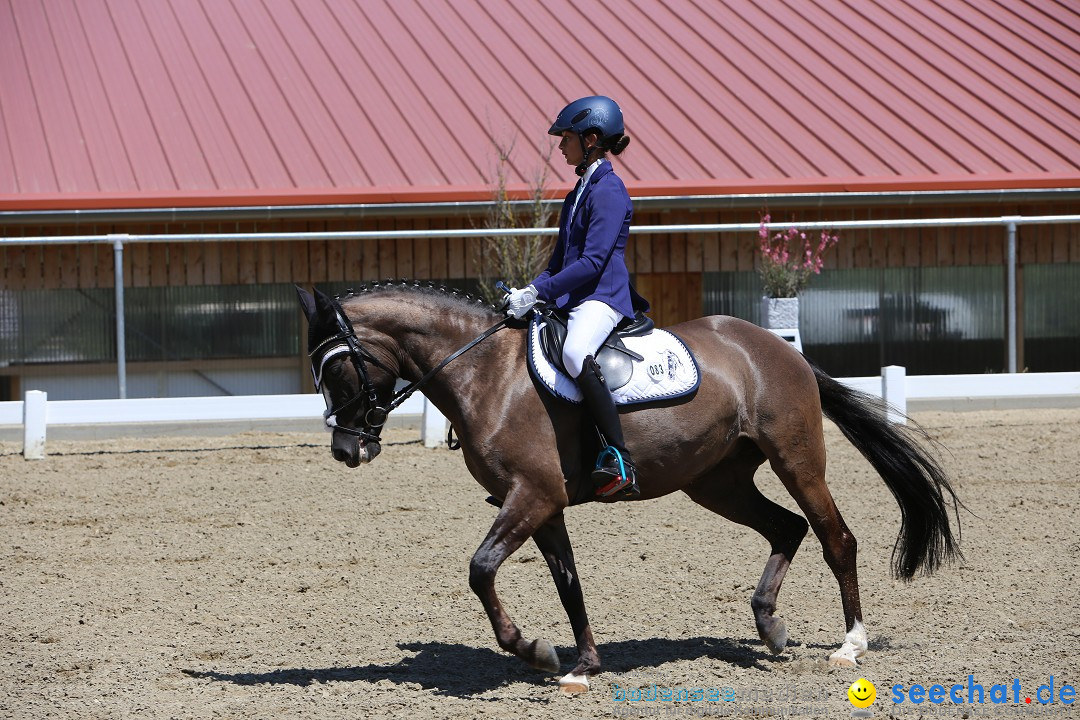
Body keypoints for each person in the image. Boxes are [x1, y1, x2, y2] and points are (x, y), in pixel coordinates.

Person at [506, 95, 649, 500]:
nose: (559, 144)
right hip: (573, 298)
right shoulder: (577, 193)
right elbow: (557, 264)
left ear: (590, 138)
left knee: (574, 353)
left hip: (602, 297)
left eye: (564, 137)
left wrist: (540, 291)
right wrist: (527, 293)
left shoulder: (609, 190)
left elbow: (592, 261)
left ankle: (619, 458)